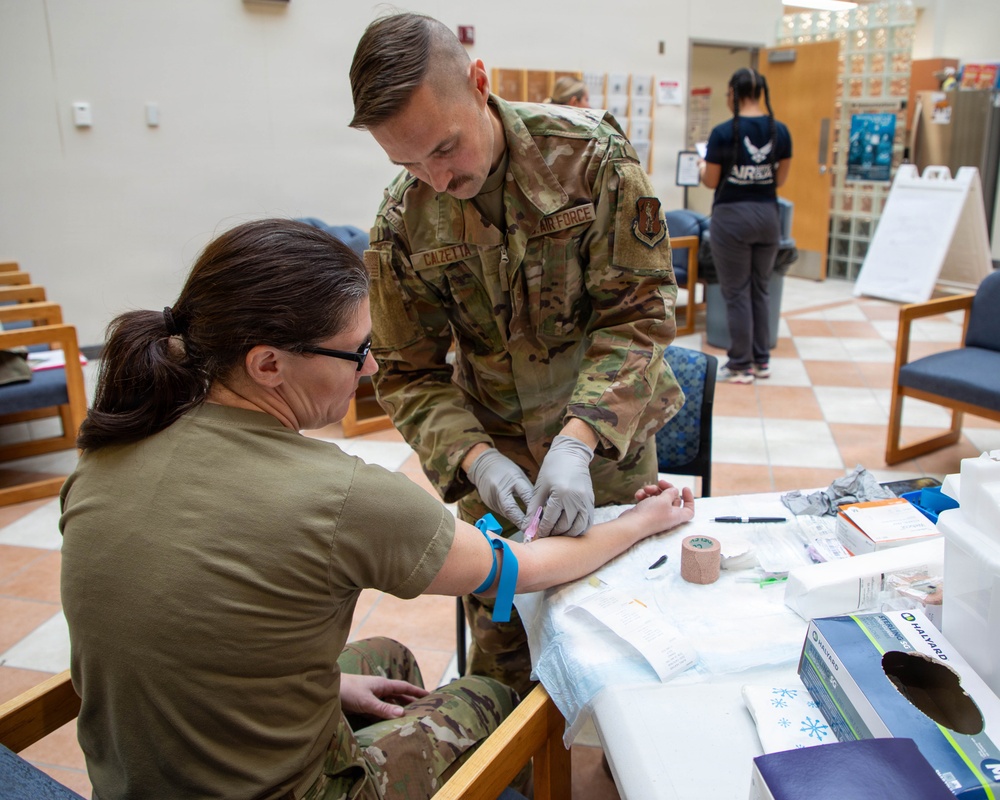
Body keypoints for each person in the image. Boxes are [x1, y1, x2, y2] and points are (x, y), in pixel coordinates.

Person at [59, 218, 696, 800]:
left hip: (139, 775)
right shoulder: (339, 495)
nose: (368, 368)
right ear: (268, 363)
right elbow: (521, 570)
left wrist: (330, 689)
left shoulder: (110, 448)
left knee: (387, 657)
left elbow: (183, 631)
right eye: (354, 350)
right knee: (489, 697)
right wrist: (645, 518)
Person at [348, 12, 681, 697]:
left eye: (444, 148)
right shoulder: (402, 221)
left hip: (608, 458)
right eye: (406, 162)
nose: (434, 178)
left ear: (479, 83)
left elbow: (640, 315)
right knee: (505, 660)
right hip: (494, 467)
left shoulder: (591, 161)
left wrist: (578, 441)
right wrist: (477, 459)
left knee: (624, 647)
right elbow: (407, 374)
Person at [700, 67, 792, 384]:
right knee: (760, 289)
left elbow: (711, 181)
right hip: (768, 217)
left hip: (732, 218)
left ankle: (740, 364)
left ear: (733, 95)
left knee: (736, 292)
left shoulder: (723, 133)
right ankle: (761, 360)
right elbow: (780, 179)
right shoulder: (780, 131)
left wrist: (701, 167)